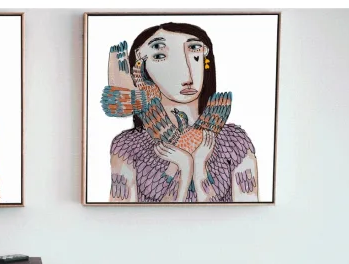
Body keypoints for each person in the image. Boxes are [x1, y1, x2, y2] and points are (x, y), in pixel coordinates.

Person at [102, 22, 259, 203]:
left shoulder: (235, 142)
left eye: (194, 50)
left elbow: (248, 212)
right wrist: (184, 167)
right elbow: (121, 215)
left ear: (205, 59)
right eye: (159, 56)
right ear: (141, 67)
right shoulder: (127, 146)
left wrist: (199, 167)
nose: (187, 75)